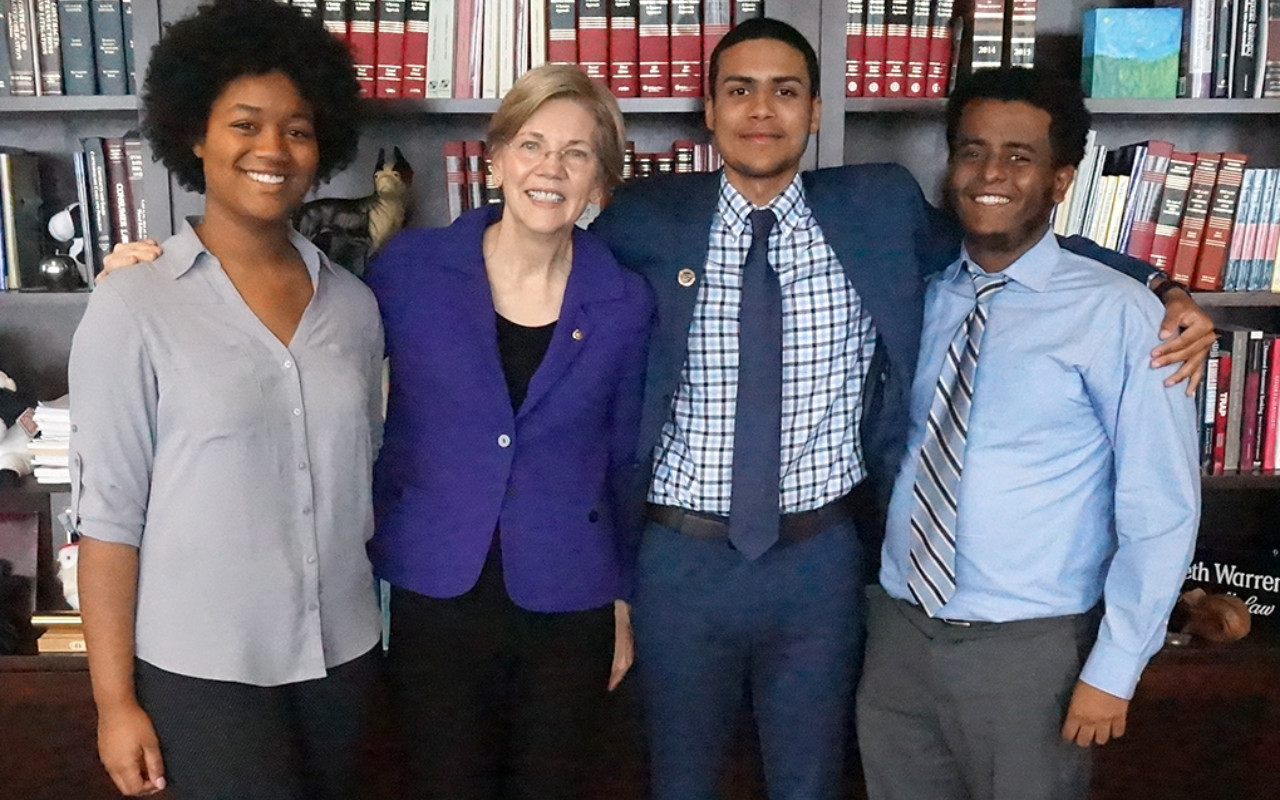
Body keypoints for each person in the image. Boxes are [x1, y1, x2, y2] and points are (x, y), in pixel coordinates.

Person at [589, 18, 1213, 800]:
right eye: (738, 90)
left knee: (810, 782)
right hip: (678, 559)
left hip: (820, 563)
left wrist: (1158, 283)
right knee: (676, 781)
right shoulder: (645, 219)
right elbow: (543, 259)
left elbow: (1005, 226)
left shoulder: (872, 207)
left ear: (816, 112)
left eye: (785, 92)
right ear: (708, 111)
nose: (760, 111)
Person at [855, 66, 1200, 800]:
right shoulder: (919, 292)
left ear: (1061, 179)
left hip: (1031, 652)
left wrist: (1114, 669)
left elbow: (1161, 508)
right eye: (973, 150)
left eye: (1020, 156)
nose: (991, 174)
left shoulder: (1120, 315)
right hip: (897, 636)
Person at [69, 1, 381, 798]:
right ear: (194, 135)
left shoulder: (353, 304)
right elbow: (106, 518)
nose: (273, 149)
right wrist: (113, 702)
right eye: (245, 124)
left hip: (343, 661)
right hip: (202, 674)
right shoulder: (134, 303)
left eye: (298, 129)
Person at [363, 64, 653, 799]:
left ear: (599, 180)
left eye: (576, 153)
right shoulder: (409, 272)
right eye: (532, 144)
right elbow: (309, 322)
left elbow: (624, 459)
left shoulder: (624, 301)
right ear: (495, 158)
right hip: (435, 593)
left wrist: (621, 601)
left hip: (568, 601)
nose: (549, 169)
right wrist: (151, 263)